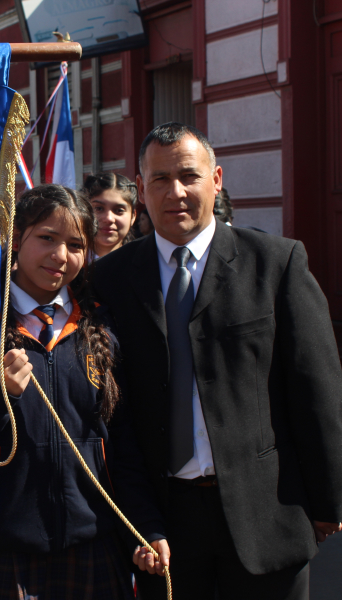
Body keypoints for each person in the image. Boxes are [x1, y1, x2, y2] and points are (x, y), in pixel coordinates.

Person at [93, 122, 342, 600]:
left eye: (189, 175)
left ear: (217, 179)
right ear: (142, 190)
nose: (177, 191)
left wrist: (327, 499)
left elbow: (317, 389)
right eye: (161, 180)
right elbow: (113, 413)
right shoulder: (111, 280)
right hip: (164, 528)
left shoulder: (275, 263)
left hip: (268, 514)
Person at [0, 184, 169, 599]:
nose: (61, 256)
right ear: (15, 237)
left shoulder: (101, 327)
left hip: (94, 544)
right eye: (46, 238)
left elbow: (124, 445)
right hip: (2, 550)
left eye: (76, 244)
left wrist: (145, 527)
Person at [82, 172, 138, 258]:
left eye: (119, 210)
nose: (108, 218)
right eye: (99, 208)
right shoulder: (65, 262)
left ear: (133, 216)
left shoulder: (146, 264)